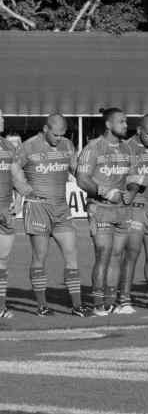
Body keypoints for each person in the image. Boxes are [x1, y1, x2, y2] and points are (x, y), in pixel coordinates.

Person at [14, 114, 89, 317]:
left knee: (72, 255)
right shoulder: (28, 146)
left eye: (62, 134)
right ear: (45, 128)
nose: (58, 138)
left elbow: (76, 170)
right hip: (38, 208)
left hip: (61, 209)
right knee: (40, 256)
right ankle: (41, 306)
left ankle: (77, 305)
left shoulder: (66, 145)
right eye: (55, 134)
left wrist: (92, 183)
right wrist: (24, 190)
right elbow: (12, 168)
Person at [77, 108, 134, 316]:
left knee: (117, 255)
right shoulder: (93, 148)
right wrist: (105, 192)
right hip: (99, 209)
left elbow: (134, 178)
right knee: (103, 254)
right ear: (109, 125)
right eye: (121, 122)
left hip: (122, 211)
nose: (125, 125)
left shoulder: (127, 149)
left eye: (126, 121)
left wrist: (131, 192)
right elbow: (82, 178)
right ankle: (98, 304)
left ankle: (111, 302)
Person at [120, 115, 148, 311]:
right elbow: (118, 176)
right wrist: (136, 179)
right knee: (131, 254)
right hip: (136, 207)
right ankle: (124, 299)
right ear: (139, 130)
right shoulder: (126, 147)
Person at [0, 109, 29, 319]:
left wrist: (19, 199)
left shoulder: (8, 146)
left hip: (6, 211)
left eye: (2, 117)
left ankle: (1, 307)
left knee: (2, 261)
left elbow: (17, 176)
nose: (2, 120)